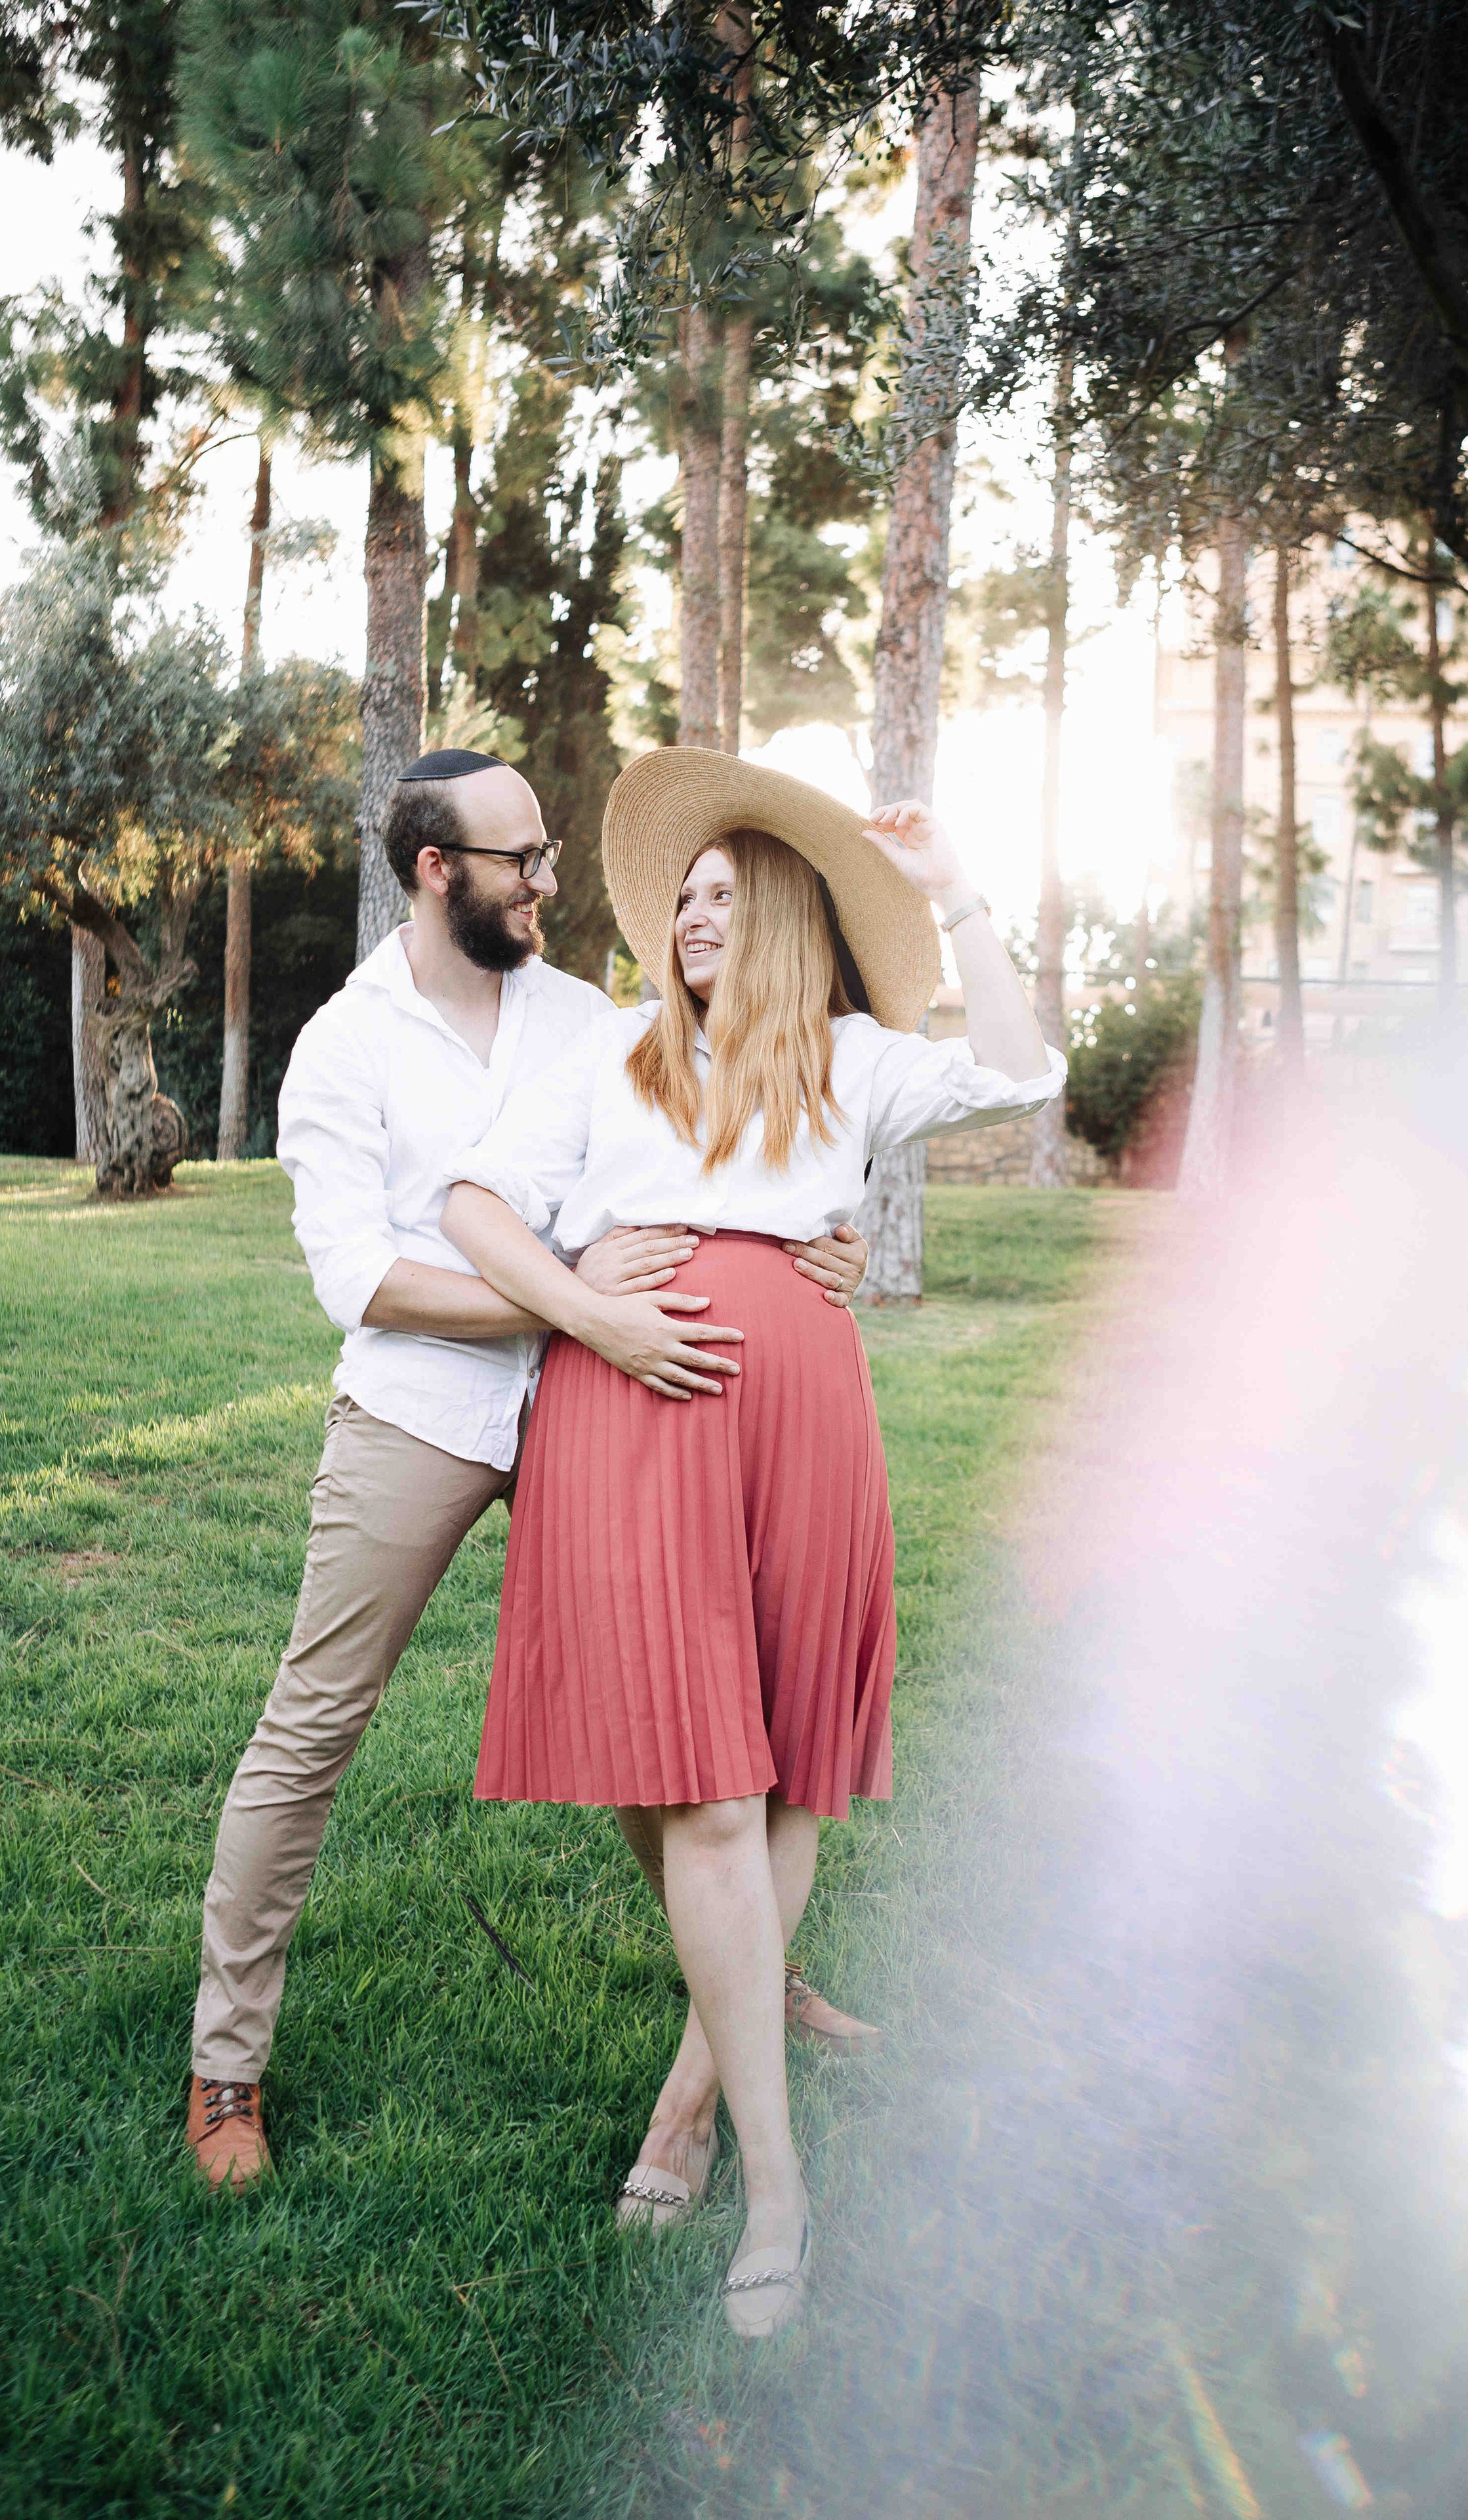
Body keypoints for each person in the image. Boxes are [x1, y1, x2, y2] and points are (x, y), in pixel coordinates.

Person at [441, 749, 1065, 2338]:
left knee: (778, 1770)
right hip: (634, 1402)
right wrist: (591, 1294)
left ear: (781, 913)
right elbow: (472, 1206)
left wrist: (959, 895)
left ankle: (707, 2120)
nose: (693, 918)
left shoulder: (849, 1061)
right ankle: (758, 2144)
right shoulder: (608, 1062)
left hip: (799, 1420)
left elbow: (1019, 1071)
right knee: (691, 1779)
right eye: (683, 900)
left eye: (724, 896)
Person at [186, 749, 874, 2189]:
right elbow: (361, 1276)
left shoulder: (584, 1017)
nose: (553, 883)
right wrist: (573, 1297)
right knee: (312, 1724)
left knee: (673, 1738)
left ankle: (744, 1992)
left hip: (605, 1414)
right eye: (522, 863)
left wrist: (818, 1234)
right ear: (439, 873)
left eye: (552, 854)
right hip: (425, 1411)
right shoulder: (343, 1044)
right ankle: (225, 2067)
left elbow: (712, 1140)